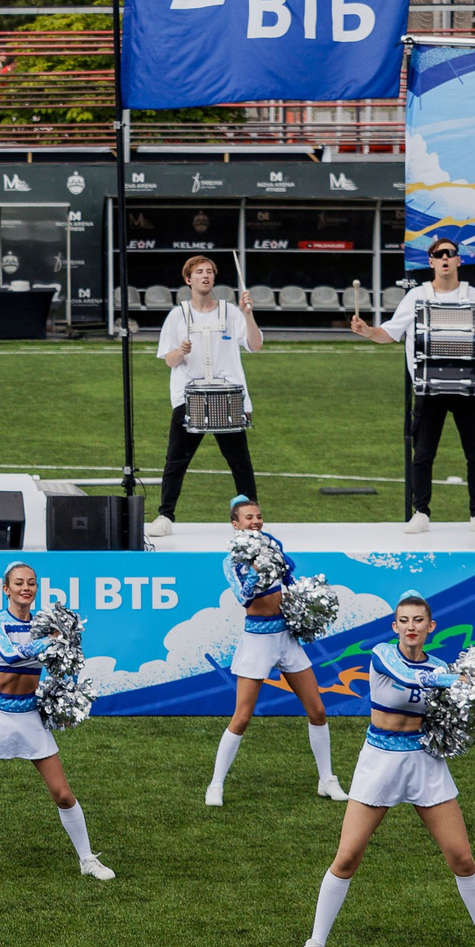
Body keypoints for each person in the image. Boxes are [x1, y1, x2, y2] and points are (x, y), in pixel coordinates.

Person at [296, 592, 475, 947]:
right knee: (347, 857)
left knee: (462, 858)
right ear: (395, 626)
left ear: (430, 627)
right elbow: (408, 676)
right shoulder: (383, 654)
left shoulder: (439, 664)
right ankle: (314, 943)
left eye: (418, 620)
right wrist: (461, 678)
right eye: (404, 620)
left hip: (424, 762)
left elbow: (450, 713)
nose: (411, 627)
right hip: (379, 761)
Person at [0, 561, 115, 884]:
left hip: (29, 715)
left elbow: (63, 664)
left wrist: (64, 651)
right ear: (6, 589)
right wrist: (52, 639)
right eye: (18, 583)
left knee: (62, 793)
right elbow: (11, 655)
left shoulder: (44, 625)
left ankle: (87, 859)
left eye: (31, 583)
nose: (26, 588)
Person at [350, 236, 475, 534]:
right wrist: (368, 331)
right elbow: (390, 333)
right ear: (431, 262)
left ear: (458, 260)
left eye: (450, 253)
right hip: (428, 388)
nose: (445, 258)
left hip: (467, 389)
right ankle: (421, 512)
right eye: (439, 255)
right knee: (423, 455)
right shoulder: (416, 297)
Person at [204, 496, 347, 807]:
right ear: (235, 524)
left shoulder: (272, 545)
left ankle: (327, 779)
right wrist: (256, 572)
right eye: (248, 517)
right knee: (242, 717)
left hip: (286, 636)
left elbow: (289, 581)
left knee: (318, 711)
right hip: (257, 639)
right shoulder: (232, 560)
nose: (255, 521)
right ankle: (215, 784)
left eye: (258, 516)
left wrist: (305, 604)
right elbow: (244, 598)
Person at [146, 253, 261, 538]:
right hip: (190, 397)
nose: (205, 275)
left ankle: (251, 517)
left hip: (227, 396)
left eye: (209, 271)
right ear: (188, 279)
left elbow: (255, 345)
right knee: (176, 460)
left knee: (240, 461)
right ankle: (165, 515)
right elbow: (169, 360)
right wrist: (181, 351)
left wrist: (248, 314)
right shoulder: (177, 315)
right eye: (199, 272)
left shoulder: (231, 312)